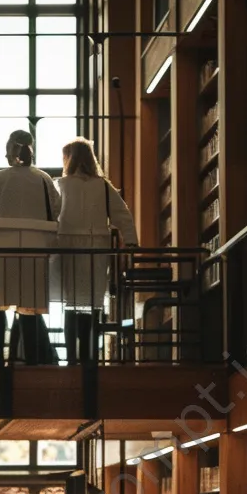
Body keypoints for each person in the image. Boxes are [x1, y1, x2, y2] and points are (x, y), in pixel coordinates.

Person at [0, 130, 62, 365]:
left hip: (0, 247)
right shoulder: (44, 179)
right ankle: (32, 362)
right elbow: (56, 211)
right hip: (35, 248)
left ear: (8, 151)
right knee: (29, 306)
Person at [55, 137, 138, 366]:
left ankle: (72, 358)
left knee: (70, 304)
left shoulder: (61, 185)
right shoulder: (103, 186)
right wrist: (130, 242)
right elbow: (122, 215)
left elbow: (52, 215)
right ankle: (90, 357)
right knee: (92, 303)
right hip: (97, 247)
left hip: (68, 247)